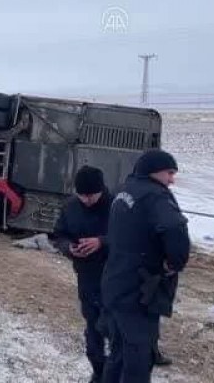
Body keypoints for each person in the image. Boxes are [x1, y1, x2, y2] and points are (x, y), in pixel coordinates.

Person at [101, 149, 190, 383]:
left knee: (118, 353)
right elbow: (174, 228)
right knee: (139, 358)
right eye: (169, 173)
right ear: (153, 172)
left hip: (116, 281)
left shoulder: (123, 190)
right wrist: (175, 262)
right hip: (141, 289)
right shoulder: (155, 196)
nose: (172, 180)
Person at [49, 165, 112, 383]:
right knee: (93, 326)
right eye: (82, 195)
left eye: (91, 195)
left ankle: (116, 373)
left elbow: (130, 239)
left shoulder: (117, 207)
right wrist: (69, 248)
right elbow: (59, 235)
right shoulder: (71, 206)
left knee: (114, 328)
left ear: (101, 190)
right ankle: (98, 371)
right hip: (86, 275)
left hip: (115, 277)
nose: (86, 200)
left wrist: (101, 242)